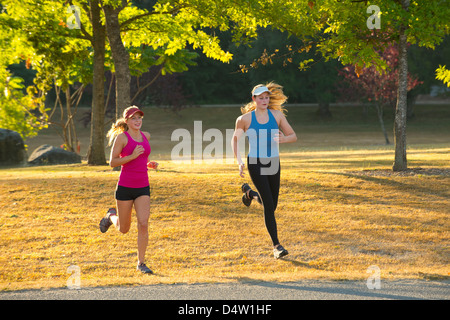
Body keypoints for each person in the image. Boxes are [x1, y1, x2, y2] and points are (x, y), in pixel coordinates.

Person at [231, 82, 297, 259]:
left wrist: (284, 139)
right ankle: (277, 246)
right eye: (261, 98)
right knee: (268, 205)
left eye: (267, 97)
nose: (265, 100)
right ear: (254, 99)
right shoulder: (244, 119)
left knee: (272, 205)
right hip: (255, 162)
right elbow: (235, 140)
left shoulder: (277, 115)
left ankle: (250, 194)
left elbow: (293, 136)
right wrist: (239, 162)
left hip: (274, 162)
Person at [99, 106, 158, 274]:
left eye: (139, 118)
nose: (137, 121)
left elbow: (142, 158)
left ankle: (141, 263)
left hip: (142, 187)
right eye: (134, 118)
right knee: (124, 229)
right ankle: (111, 216)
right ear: (127, 121)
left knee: (143, 223)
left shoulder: (146, 136)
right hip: (125, 187)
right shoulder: (121, 138)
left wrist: (148, 163)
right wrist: (132, 156)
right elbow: (112, 162)